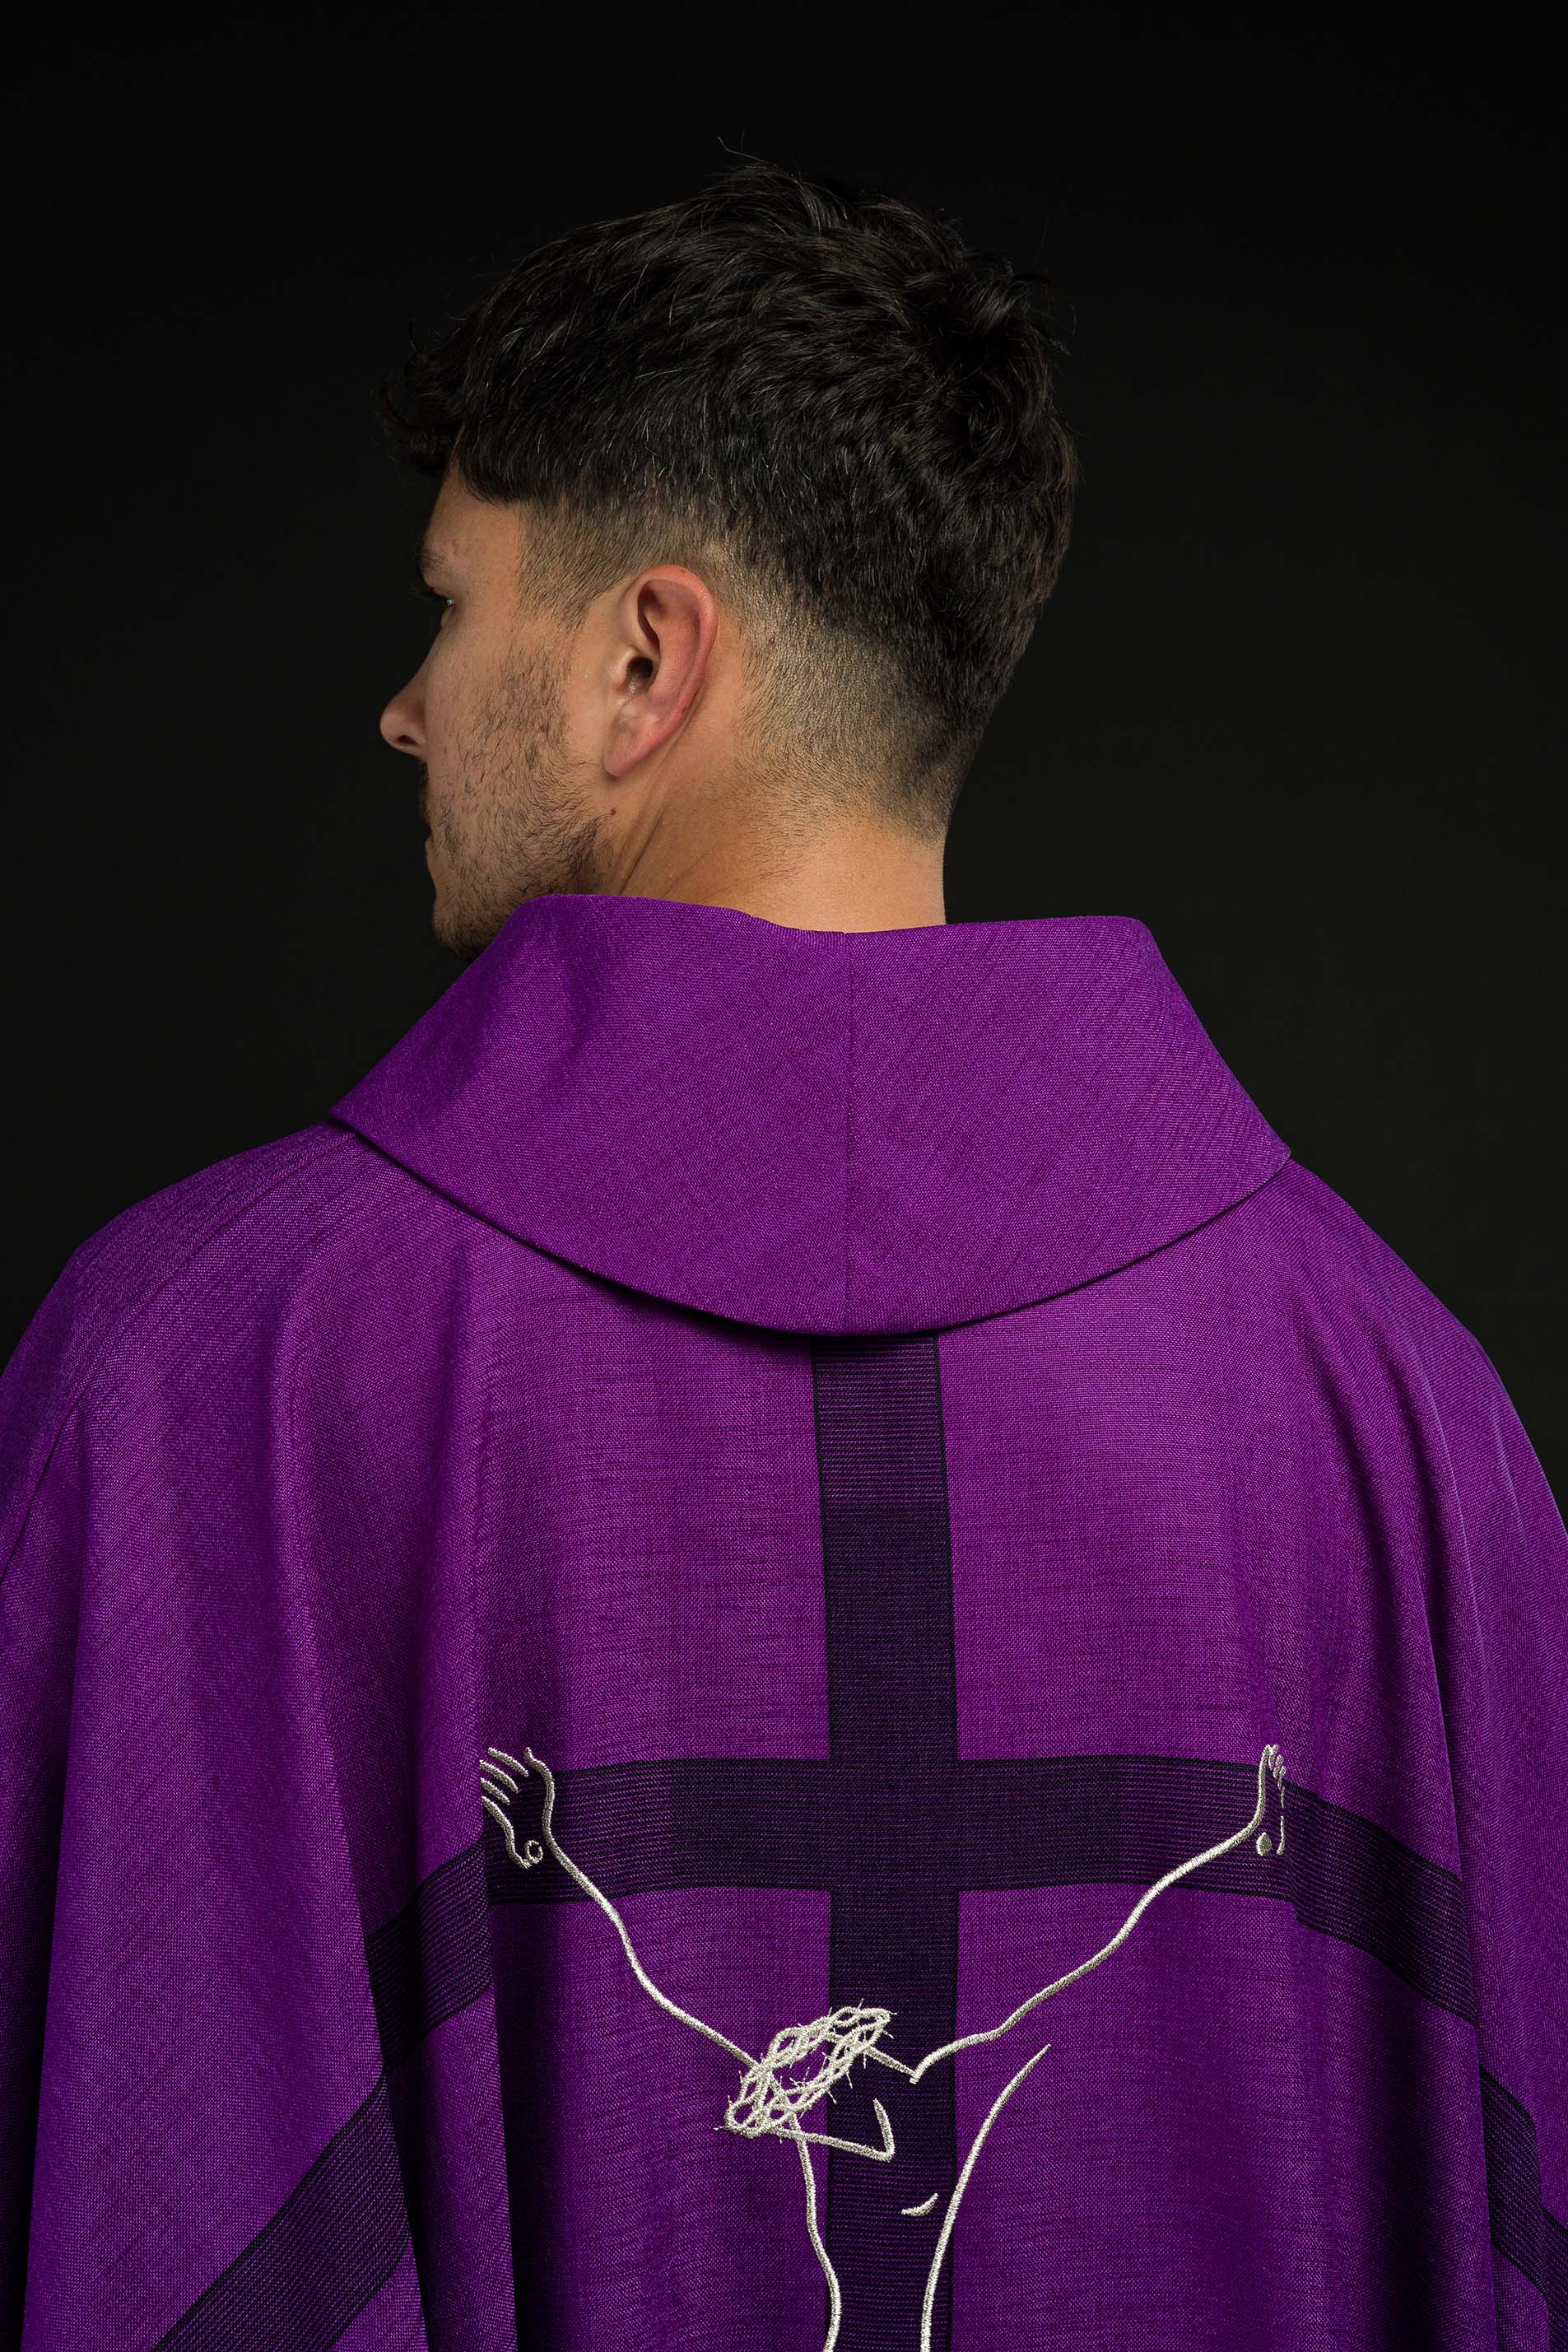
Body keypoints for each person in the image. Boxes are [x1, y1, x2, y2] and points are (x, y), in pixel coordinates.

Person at [2, 152, 1562, 2352]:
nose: (406, 704)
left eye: (450, 607)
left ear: (642, 659)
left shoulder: (204, 1383)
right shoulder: (1393, 1413)